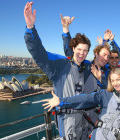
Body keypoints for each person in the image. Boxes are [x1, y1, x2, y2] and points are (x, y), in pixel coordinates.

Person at [24, 2, 92, 139]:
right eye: (79, 49)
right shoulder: (60, 64)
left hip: (82, 120)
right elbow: (39, 53)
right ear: (74, 49)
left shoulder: (85, 67)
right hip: (67, 120)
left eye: (85, 51)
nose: (82, 53)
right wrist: (30, 27)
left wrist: (66, 30)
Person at [42, 68, 120, 140]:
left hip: (116, 137)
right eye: (112, 81)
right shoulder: (105, 94)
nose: (115, 83)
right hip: (100, 135)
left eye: (118, 79)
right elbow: (85, 99)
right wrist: (62, 101)